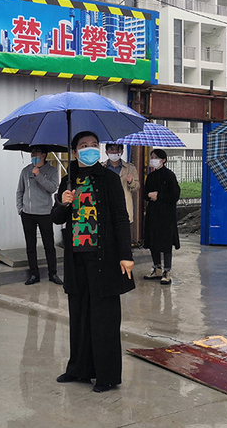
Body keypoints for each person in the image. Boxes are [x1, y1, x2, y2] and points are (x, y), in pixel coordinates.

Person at [52, 131, 135, 393]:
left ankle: (106, 376)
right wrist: (63, 203)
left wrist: (126, 255)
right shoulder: (68, 180)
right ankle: (79, 369)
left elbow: (121, 217)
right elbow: (56, 218)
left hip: (104, 258)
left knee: (104, 318)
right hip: (76, 260)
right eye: (83, 145)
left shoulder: (108, 178)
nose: (90, 149)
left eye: (94, 145)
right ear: (74, 152)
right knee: (79, 316)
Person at [16, 146, 63, 286]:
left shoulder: (52, 171)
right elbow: (20, 191)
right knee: (30, 246)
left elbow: (52, 188)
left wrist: (38, 176)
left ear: (43, 155)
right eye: (32, 153)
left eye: (36, 152)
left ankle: (52, 273)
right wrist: (20, 209)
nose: (33, 155)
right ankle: (34, 274)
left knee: (49, 245)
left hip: (45, 213)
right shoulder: (25, 171)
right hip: (28, 214)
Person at [142, 149, 181, 285]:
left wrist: (159, 196)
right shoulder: (151, 176)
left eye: (156, 157)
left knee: (166, 242)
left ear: (163, 160)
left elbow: (174, 196)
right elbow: (144, 194)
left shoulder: (169, 175)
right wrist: (149, 195)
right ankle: (157, 268)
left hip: (166, 215)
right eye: (152, 157)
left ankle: (167, 271)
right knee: (153, 241)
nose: (153, 159)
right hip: (153, 213)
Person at [102, 143, 140, 232]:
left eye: (117, 149)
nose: (114, 152)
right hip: (106, 206)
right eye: (112, 150)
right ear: (106, 152)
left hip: (124, 205)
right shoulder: (102, 167)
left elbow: (137, 187)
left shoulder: (130, 168)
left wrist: (131, 182)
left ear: (122, 152)